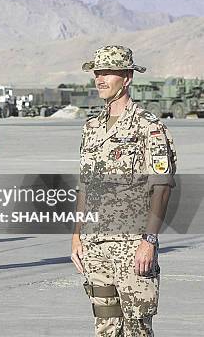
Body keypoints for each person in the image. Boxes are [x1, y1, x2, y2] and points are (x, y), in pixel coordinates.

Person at [71, 45, 177, 336]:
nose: (100, 79)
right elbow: (85, 184)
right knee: (105, 325)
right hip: (95, 246)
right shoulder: (91, 127)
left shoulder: (148, 126)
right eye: (97, 73)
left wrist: (149, 241)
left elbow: (162, 187)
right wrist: (76, 235)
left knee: (137, 328)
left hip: (132, 246)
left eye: (109, 73)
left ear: (127, 77)